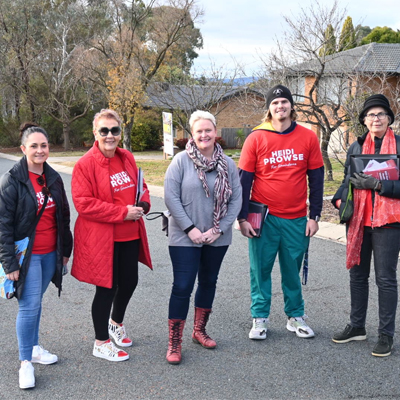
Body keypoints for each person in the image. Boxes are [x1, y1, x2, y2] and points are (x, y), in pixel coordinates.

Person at [238, 84, 324, 340]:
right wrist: (242, 218)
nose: (280, 107)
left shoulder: (308, 137)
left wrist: (314, 216)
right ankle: (260, 318)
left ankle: (295, 316)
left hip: (297, 218)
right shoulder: (256, 137)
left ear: (291, 106)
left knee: (291, 271)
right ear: (269, 108)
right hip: (263, 218)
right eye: (275, 103)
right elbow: (244, 181)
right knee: (260, 270)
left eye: (284, 102)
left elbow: (317, 179)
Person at [71, 109, 152, 362]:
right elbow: (83, 203)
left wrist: (144, 204)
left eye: (114, 130)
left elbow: (142, 186)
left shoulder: (126, 156)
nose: (109, 135)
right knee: (106, 289)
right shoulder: (85, 164)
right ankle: (101, 341)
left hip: (130, 235)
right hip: (103, 239)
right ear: (95, 133)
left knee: (129, 283)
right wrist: (122, 212)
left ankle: (116, 323)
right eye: (104, 130)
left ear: (119, 133)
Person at [164, 110, 242, 364]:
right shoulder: (180, 162)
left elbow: (236, 200)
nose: (204, 135)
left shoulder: (228, 164)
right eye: (199, 131)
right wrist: (191, 229)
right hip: (184, 237)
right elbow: (171, 198)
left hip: (217, 237)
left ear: (215, 132)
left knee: (208, 282)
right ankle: (175, 342)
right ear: (192, 134)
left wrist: (218, 229)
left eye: (208, 130)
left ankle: (200, 331)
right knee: (183, 286)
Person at [0, 123, 73, 389]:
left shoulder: (53, 177)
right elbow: (3, 225)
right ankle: (25, 363)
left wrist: (65, 251)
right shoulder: (12, 180)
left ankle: (33, 348)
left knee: (36, 302)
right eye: (34, 146)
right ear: (23, 149)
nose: (40, 150)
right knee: (29, 305)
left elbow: (63, 216)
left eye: (44, 146)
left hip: (50, 253)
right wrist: (9, 263)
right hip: (26, 257)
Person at [331, 94, 400, 357]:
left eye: (381, 113)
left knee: (386, 279)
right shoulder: (356, 147)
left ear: (389, 118)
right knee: (358, 276)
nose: (376, 118)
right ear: (364, 120)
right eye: (371, 114)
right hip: (359, 220)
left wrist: (381, 185)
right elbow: (348, 179)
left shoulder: (399, 146)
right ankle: (357, 326)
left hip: (389, 223)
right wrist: (339, 200)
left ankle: (386, 334)